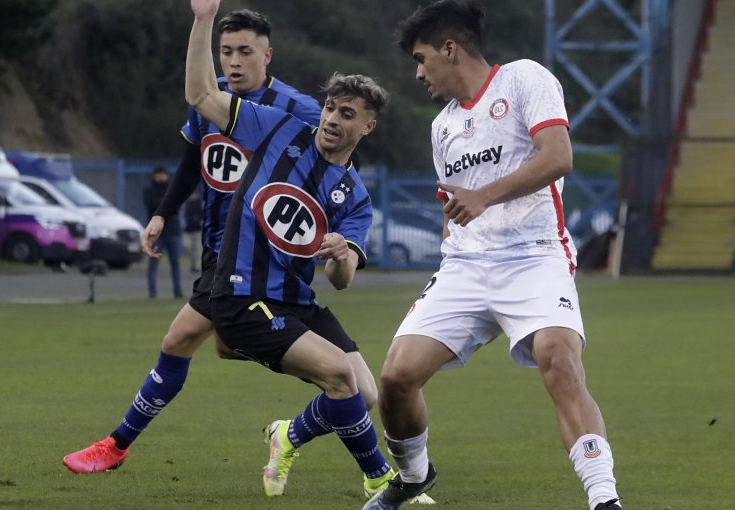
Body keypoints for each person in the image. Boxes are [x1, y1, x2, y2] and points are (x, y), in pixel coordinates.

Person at [63, 6, 428, 503]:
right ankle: (384, 481)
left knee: (363, 393)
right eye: (330, 109)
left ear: (367, 128)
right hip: (237, 282)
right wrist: (201, 20)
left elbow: (343, 278)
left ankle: (290, 435)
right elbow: (199, 102)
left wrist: (341, 253)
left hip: (292, 296)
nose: (332, 119)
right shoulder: (274, 127)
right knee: (324, 375)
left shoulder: (347, 188)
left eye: (347, 114)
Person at [363, 1, 622, 509]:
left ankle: (604, 498)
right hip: (464, 266)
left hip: (535, 255)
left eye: (421, 58)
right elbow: (452, 202)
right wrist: (454, 239)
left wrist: (485, 196)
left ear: (450, 49)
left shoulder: (525, 78)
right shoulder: (441, 127)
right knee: (395, 378)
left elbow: (557, 156)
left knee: (559, 359)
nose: (418, 72)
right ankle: (414, 476)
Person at [143, 166, 183, 298]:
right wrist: (166, 205)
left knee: (175, 263)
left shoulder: (172, 189)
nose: (161, 177)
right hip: (156, 234)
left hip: (172, 231)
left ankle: (178, 291)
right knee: (153, 263)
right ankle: (152, 292)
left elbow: (176, 206)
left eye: (163, 174)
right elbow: (153, 205)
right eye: (159, 174)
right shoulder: (149, 191)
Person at [181, 188, 203, 273]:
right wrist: (184, 225)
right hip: (187, 230)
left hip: (198, 230)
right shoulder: (185, 204)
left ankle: (197, 267)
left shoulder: (201, 203)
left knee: (198, 249)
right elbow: (181, 215)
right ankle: (194, 262)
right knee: (186, 246)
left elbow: (206, 214)